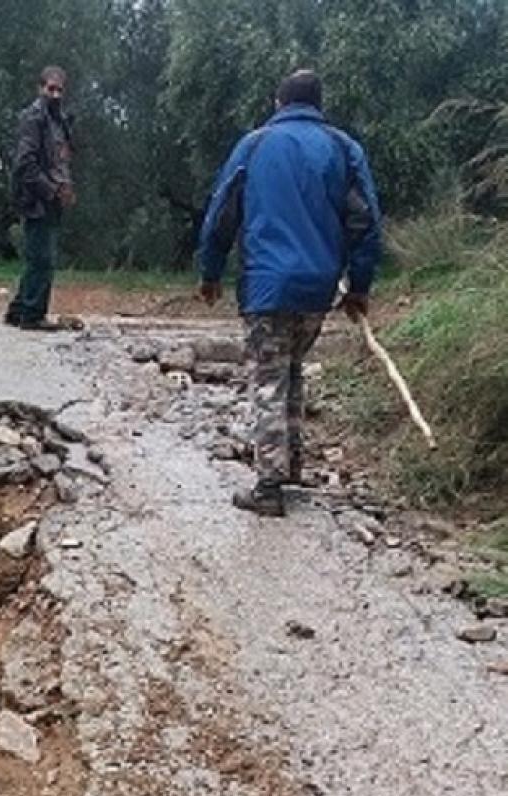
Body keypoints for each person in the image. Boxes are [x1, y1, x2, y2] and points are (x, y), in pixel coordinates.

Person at [197, 69, 383, 517]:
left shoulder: (256, 144)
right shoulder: (343, 148)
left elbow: (222, 212)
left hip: (267, 284)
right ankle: (290, 464)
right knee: (293, 370)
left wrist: (211, 270)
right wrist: (359, 285)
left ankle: (268, 487)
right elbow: (366, 221)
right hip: (317, 287)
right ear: (318, 104)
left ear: (278, 102)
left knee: (269, 379)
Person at [6, 65, 75, 332]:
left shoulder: (59, 121)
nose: (55, 94)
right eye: (51, 89)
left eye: (59, 90)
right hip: (36, 199)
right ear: (40, 88)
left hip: (53, 198)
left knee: (39, 256)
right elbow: (25, 165)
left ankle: (18, 310)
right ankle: (33, 315)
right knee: (42, 258)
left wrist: (66, 187)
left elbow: (60, 160)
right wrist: (51, 190)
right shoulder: (33, 118)